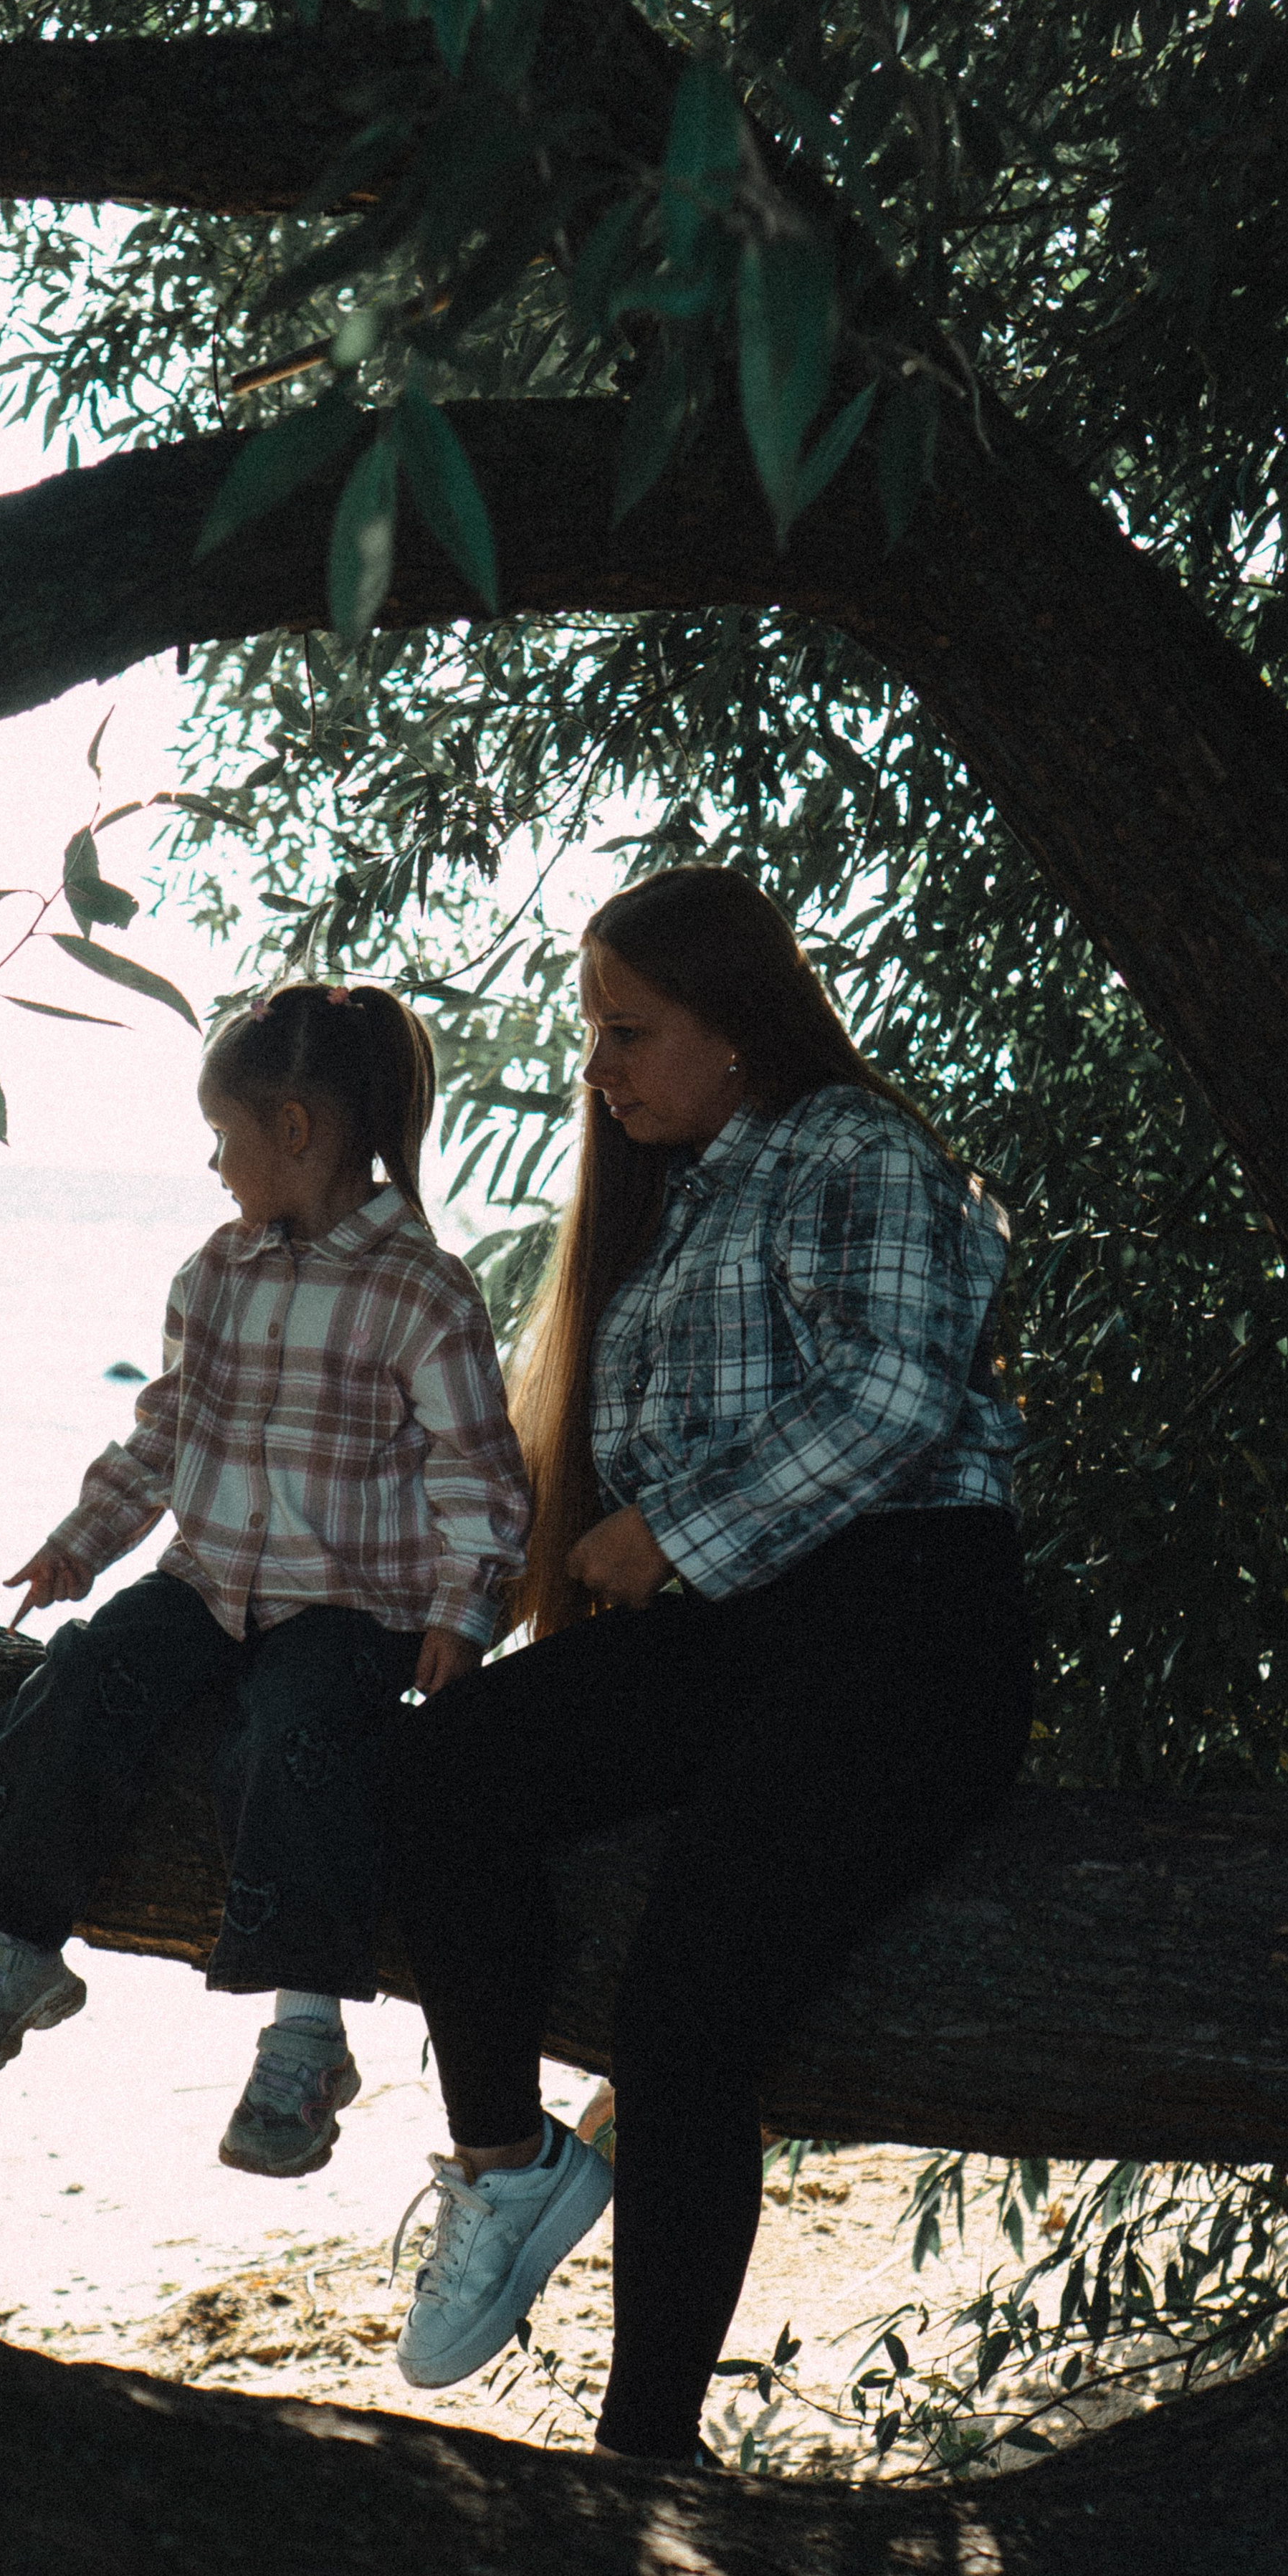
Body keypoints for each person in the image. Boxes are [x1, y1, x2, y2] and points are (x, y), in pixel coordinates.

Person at [383, 865, 1033, 2465]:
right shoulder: (691, 1192)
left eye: (628, 1030)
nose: (596, 1068)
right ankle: (505, 2159)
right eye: (590, 1031)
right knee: (439, 1769)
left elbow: (891, 1398)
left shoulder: (856, 1151)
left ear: (734, 1026)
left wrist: (667, 1532)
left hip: (899, 1631)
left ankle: (644, 2453)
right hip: (729, 1627)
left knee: (686, 2012)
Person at [0, 982, 530, 2180]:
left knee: (294, 1740)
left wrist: (464, 1615)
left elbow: (479, 1477)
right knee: (89, 1668)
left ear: (294, 1129)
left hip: (351, 1606)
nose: (212, 1163)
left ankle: (306, 2033)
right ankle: (18, 1942)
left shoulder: (420, 1292)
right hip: (210, 1583)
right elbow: (164, 1429)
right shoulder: (216, 1273)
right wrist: (82, 1541)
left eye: (224, 1133)